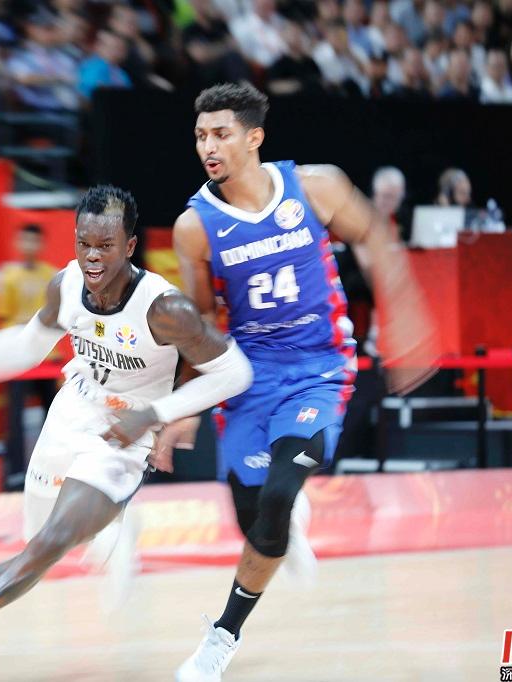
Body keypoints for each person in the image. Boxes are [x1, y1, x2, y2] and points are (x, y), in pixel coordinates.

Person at [0, 185, 254, 681]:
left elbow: (234, 373)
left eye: (105, 245)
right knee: (36, 535)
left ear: (130, 245)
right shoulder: (65, 285)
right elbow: (26, 348)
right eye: (84, 243)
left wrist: (154, 414)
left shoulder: (165, 309)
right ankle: (113, 531)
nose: (92, 256)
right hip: (72, 412)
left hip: (122, 433)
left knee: (48, 545)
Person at [165, 83, 437, 681]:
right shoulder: (195, 226)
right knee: (254, 519)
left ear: (254, 137)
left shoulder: (316, 186)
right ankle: (285, 519)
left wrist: (407, 318)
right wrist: (184, 404)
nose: (208, 146)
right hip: (247, 376)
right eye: (201, 136)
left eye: (221, 134)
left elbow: (376, 236)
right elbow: (201, 320)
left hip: (319, 369)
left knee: (279, 494)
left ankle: (222, 636)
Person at [0, 224, 59, 490]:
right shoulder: (8, 277)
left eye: (35, 241)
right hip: (18, 358)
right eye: (26, 241)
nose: (30, 246)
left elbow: (58, 315)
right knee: (14, 418)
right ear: (18, 243)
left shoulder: (52, 276)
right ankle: (15, 473)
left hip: (48, 359)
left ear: (41, 244)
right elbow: (2, 319)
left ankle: (54, 469)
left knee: (55, 415)